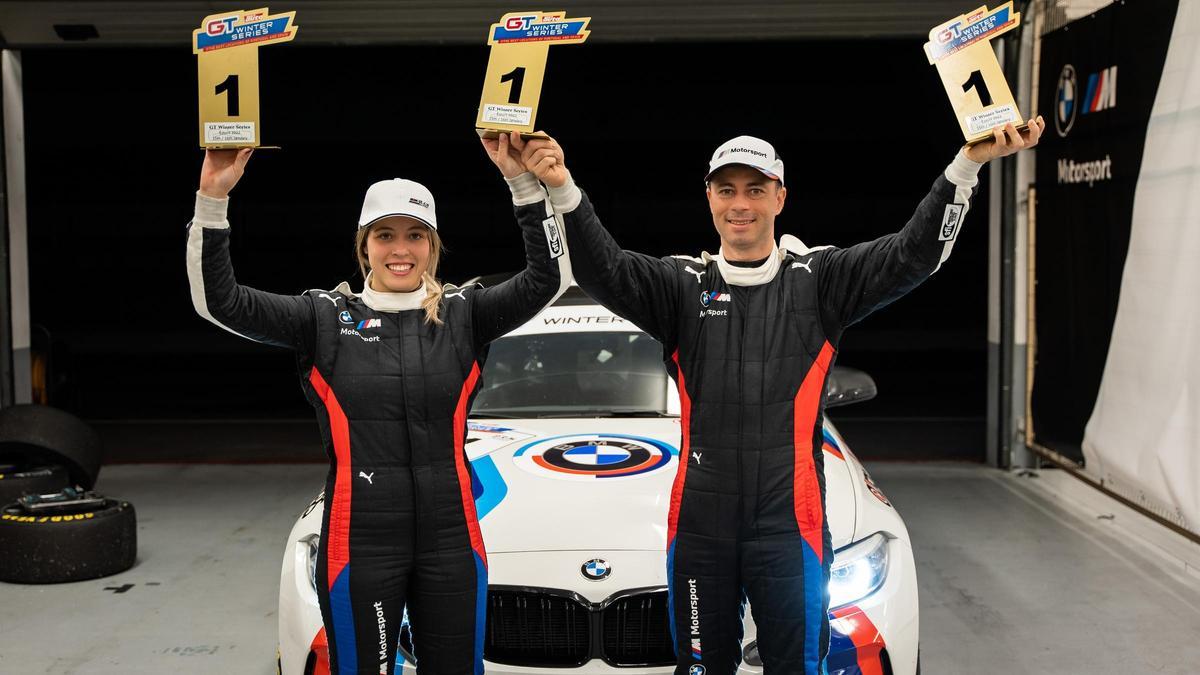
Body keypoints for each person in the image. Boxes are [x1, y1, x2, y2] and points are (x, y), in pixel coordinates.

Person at [516, 118, 1044, 674]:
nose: (739, 204)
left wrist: (965, 167)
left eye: (755, 189)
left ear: (780, 197)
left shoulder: (819, 280)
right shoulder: (680, 284)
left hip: (790, 524)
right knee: (699, 668)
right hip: (702, 524)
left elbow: (913, 255)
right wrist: (561, 187)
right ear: (709, 198)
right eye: (726, 190)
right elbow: (604, 270)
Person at [185, 133, 571, 675]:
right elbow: (218, 302)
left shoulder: (465, 314)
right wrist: (213, 200)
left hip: (451, 539)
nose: (400, 249)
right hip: (360, 543)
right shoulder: (322, 318)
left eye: (416, 235)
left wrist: (522, 183)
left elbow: (551, 279)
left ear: (432, 246)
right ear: (364, 244)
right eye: (385, 234)